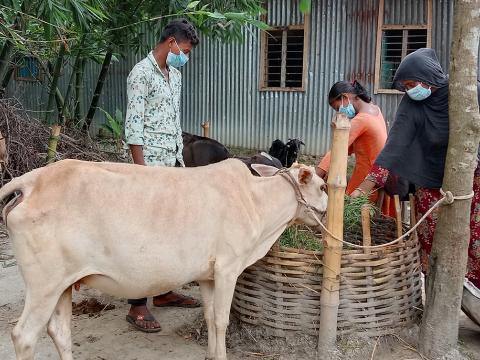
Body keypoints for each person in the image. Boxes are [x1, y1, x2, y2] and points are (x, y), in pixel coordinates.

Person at [352, 48, 480, 289]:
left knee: (475, 241)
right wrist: (363, 188)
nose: (411, 90)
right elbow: (395, 146)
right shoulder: (411, 104)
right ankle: (436, 292)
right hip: (428, 179)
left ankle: (474, 297)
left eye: (413, 84)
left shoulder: (466, 93)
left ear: (430, 77)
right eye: (406, 86)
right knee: (430, 239)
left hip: (470, 181)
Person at [124, 18, 201, 333]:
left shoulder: (176, 76)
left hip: (172, 166)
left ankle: (165, 291)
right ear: (170, 42)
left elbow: (173, 120)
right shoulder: (140, 74)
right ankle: (137, 305)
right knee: (143, 235)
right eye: (184, 50)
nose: (185, 56)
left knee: (170, 231)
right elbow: (134, 126)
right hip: (149, 169)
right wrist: (141, 175)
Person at [316, 80, 395, 216]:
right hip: (380, 174)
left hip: (366, 178)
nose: (339, 112)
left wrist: (316, 175)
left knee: (349, 214)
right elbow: (354, 145)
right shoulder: (375, 110)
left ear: (345, 97)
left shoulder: (361, 120)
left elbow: (337, 149)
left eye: (337, 108)